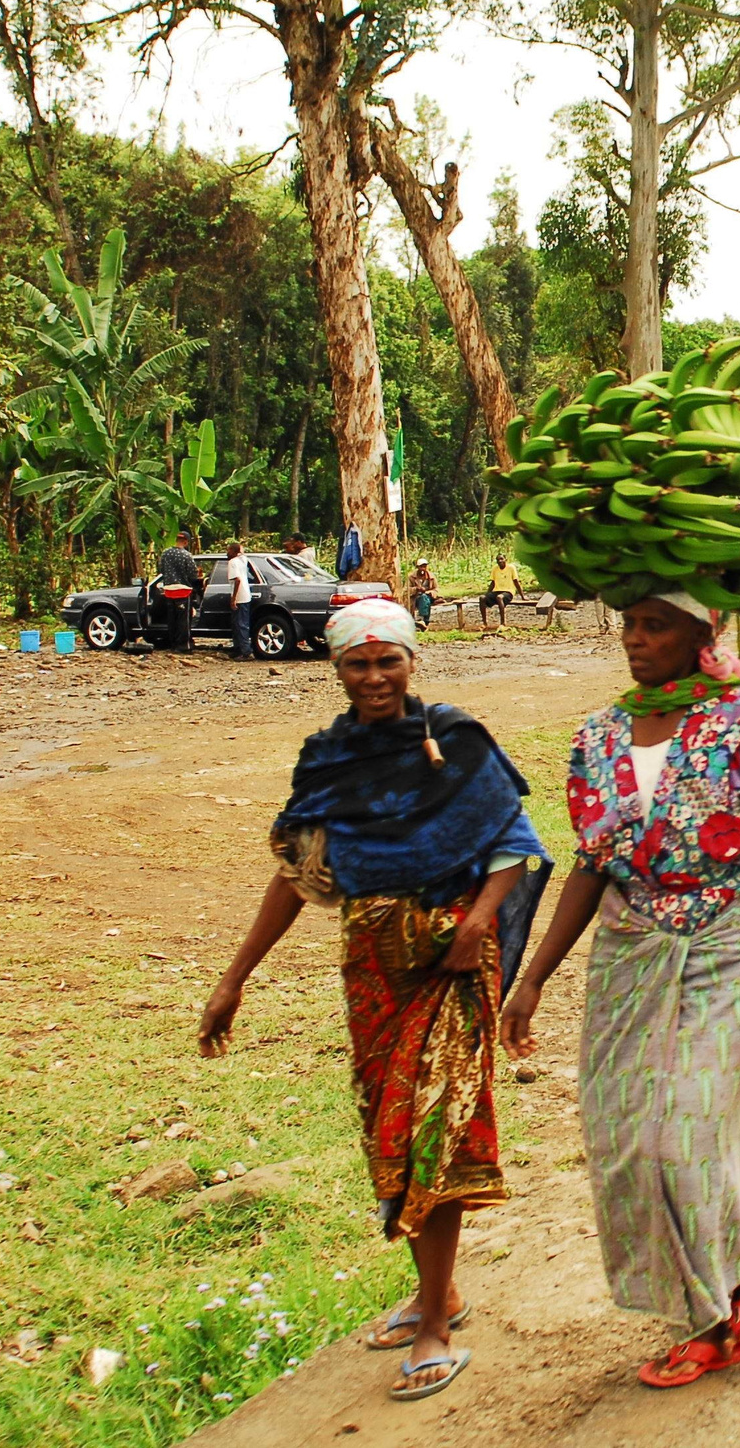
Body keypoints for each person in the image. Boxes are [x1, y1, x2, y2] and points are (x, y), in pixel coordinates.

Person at [198, 599, 549, 1403]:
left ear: (412, 662)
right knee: (388, 1122)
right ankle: (440, 1294)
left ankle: (433, 1326)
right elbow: (297, 876)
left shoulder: (455, 742)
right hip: (371, 969)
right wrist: (234, 979)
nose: (375, 677)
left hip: (454, 962)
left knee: (437, 1119)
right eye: (359, 663)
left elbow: (514, 847)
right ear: (338, 670)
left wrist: (480, 924)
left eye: (389, 660)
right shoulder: (327, 761)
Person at [499, 593, 740, 1390]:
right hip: (629, 949)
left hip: (726, 939)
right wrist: (534, 979)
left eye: (655, 625)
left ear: (703, 632)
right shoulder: (599, 735)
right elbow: (592, 865)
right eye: (630, 624)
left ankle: (739, 1285)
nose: (635, 639)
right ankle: (703, 1303)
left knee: (689, 1128)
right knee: (623, 1139)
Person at [154, 530, 203, 652]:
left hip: (169, 590)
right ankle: (183, 645)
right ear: (186, 542)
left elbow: (161, 570)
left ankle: (173, 644)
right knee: (183, 620)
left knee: (172, 619)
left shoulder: (165, 553)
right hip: (183, 591)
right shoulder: (186, 555)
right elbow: (193, 575)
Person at [225, 541, 257, 658]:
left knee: (240, 624)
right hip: (245, 595)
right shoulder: (243, 560)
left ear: (234, 551)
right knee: (238, 624)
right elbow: (242, 553)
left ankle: (245, 651)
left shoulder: (232, 562)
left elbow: (237, 580)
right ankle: (238, 649)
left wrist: (233, 598)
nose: (227, 552)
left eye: (229, 550)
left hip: (239, 596)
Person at [483, 552, 521, 626]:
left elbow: (516, 582)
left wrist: (522, 596)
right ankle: (484, 623)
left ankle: (502, 623)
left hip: (508, 592)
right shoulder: (495, 569)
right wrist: (487, 594)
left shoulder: (511, 568)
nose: (500, 561)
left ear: (505, 559)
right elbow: (493, 583)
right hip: (497, 591)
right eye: (498, 560)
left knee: (499, 597)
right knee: (482, 598)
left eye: (501, 559)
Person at [407, 556, 438, 630]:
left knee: (424, 598)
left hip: (428, 597)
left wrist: (430, 592)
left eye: (425, 566)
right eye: (421, 566)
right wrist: (416, 589)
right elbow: (407, 590)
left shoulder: (431, 577)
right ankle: (424, 620)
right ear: (418, 567)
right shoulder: (411, 577)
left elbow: (436, 589)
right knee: (422, 598)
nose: (423, 568)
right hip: (416, 597)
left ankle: (422, 619)